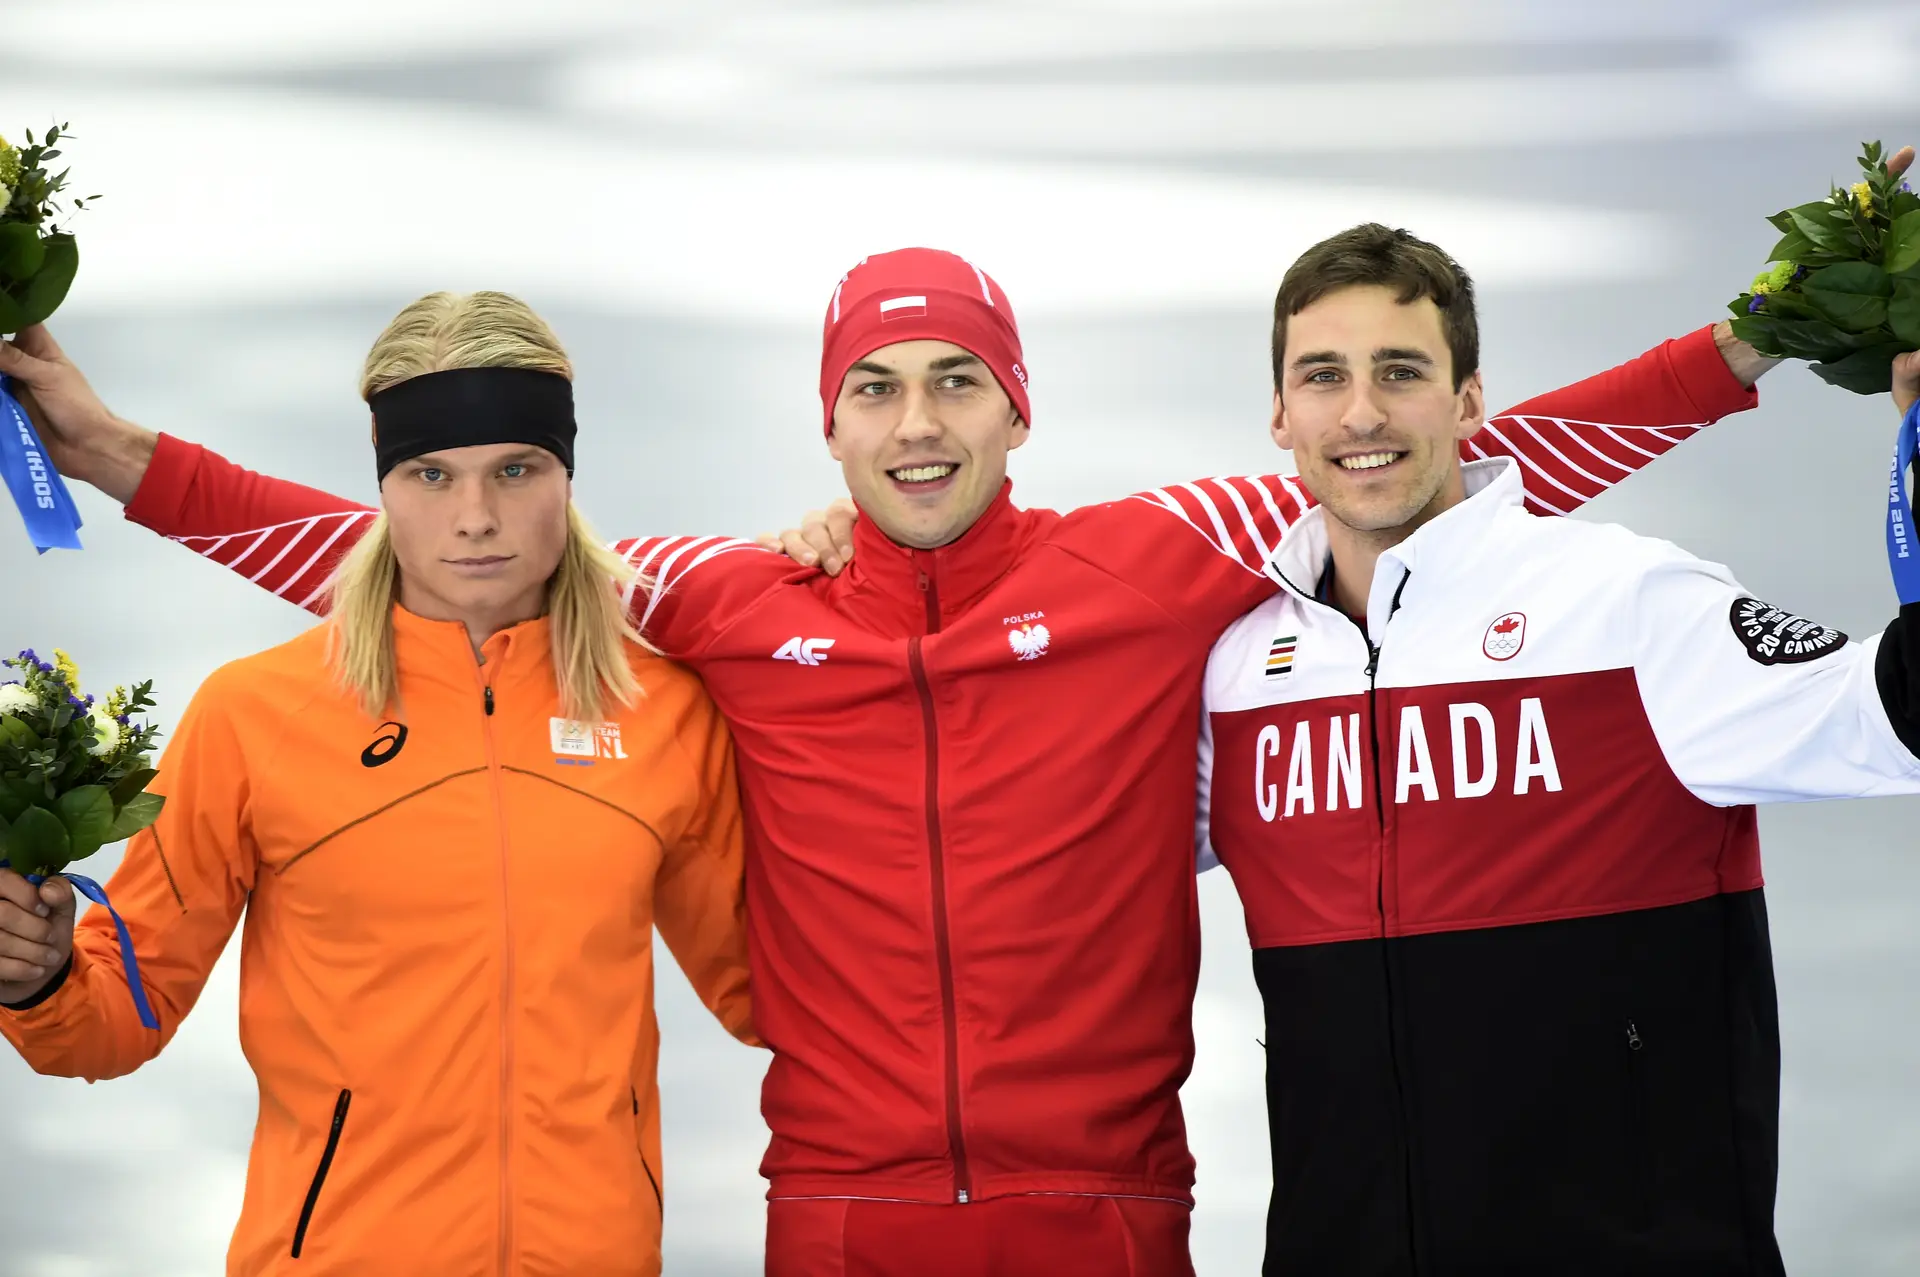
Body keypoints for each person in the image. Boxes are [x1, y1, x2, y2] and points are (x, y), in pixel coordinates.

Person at [0, 252, 1767, 1276]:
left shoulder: (1169, 550)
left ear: (1017, 405)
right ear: (828, 416)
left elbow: (1453, 454)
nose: (917, 425)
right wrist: (114, 451)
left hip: (1109, 1204)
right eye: (875, 388)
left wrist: (1756, 342)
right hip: (838, 1209)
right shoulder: (721, 599)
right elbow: (444, 562)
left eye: (956, 384)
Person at [1197, 224, 1920, 1275]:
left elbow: (1897, 714)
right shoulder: (1236, 674)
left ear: (1469, 401)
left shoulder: (1625, 607)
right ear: (1280, 412)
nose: (1361, 412)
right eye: (1324, 376)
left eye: (1401, 371)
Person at [0, 291, 757, 1277]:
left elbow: (770, 992)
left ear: (565, 475)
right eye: (431, 473)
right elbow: (114, 1020)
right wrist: (41, 974)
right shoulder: (256, 716)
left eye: (515, 469)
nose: (475, 516)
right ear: (385, 481)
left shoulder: (662, 714)